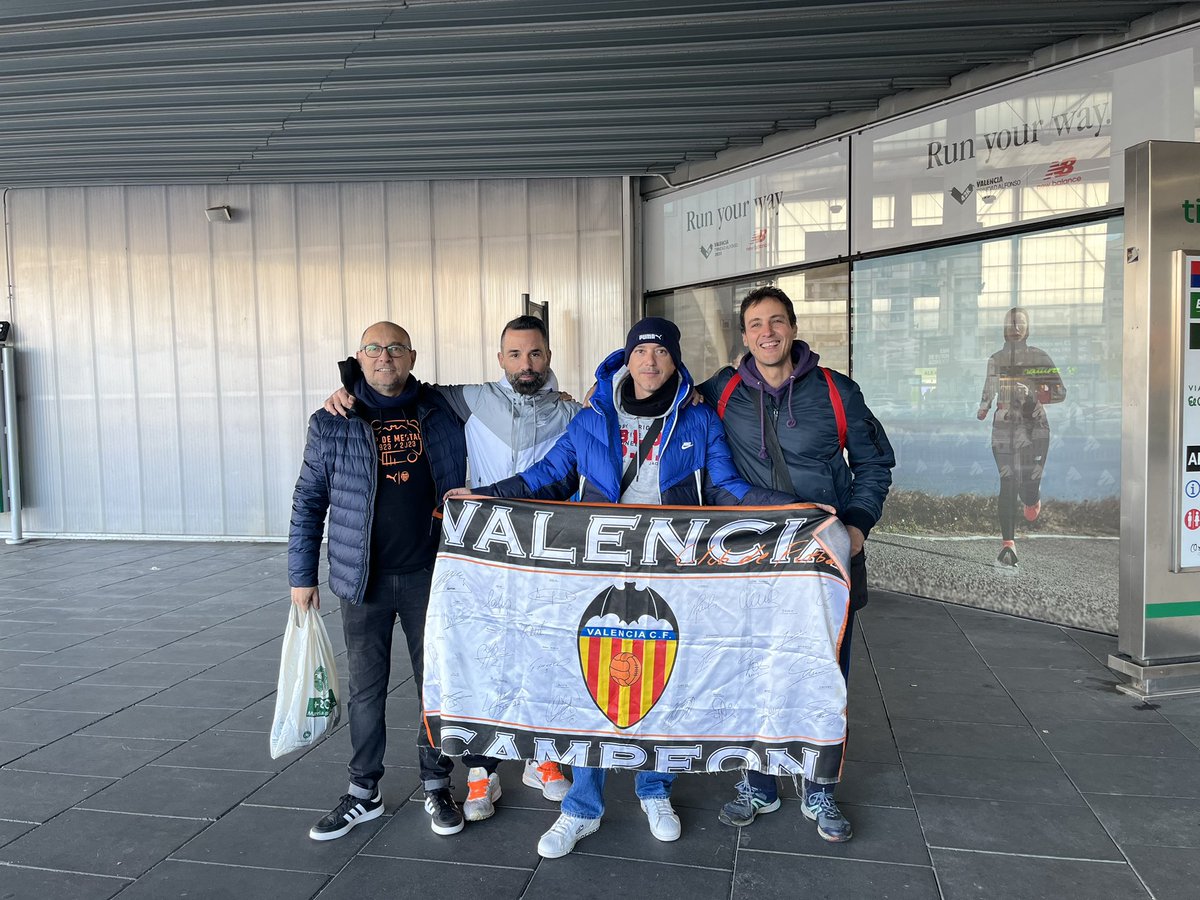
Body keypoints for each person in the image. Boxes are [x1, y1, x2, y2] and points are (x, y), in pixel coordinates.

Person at [452, 316, 794, 859]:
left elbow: (728, 486)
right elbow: (550, 475)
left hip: (671, 572)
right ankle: (581, 808)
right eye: (642, 352)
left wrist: (793, 513)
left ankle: (654, 791)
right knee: (596, 688)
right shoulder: (594, 414)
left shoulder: (698, 418)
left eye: (662, 352)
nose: (650, 361)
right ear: (628, 357)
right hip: (600, 570)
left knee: (661, 684)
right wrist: (484, 495)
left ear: (675, 360)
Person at [323, 315, 581, 819]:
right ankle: (481, 772)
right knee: (480, 661)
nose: (524, 364)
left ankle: (542, 757)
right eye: (514, 354)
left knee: (543, 653)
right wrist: (345, 389)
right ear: (499, 357)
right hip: (478, 557)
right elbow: (391, 383)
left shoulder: (573, 413)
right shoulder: (466, 399)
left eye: (535, 354)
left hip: (543, 558)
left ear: (548, 357)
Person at [697, 285, 895, 843]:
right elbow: (658, 392)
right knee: (752, 672)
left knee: (824, 678)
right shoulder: (720, 390)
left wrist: (857, 527)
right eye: (756, 323)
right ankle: (759, 782)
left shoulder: (837, 390)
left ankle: (819, 787)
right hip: (750, 563)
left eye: (777, 321)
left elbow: (875, 462)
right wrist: (600, 388)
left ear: (793, 327)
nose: (767, 332)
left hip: (822, 565)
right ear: (744, 335)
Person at [289, 321, 479, 840]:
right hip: (362, 579)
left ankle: (437, 785)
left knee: (433, 688)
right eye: (373, 349)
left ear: (411, 356)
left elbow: (512, 400)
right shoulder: (332, 420)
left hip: (430, 576)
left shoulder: (444, 413)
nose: (384, 358)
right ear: (359, 356)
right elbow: (308, 500)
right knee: (365, 691)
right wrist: (300, 575)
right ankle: (362, 792)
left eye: (394, 349)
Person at [976, 306, 1066, 570]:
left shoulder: (1040, 357)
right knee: (1008, 481)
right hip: (1004, 429)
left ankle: (1032, 495)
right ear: (1004, 327)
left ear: (1027, 328)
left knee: (1027, 484)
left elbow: (1061, 392)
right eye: (1011, 323)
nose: (1015, 327)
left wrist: (1032, 395)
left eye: (1021, 323)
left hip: (1035, 428)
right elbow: (988, 387)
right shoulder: (995, 359)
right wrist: (983, 406)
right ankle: (1008, 545)